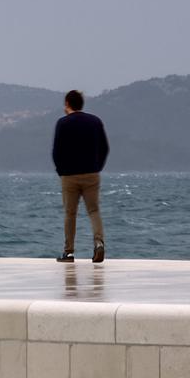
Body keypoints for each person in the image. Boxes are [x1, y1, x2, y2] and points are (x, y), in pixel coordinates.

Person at [51, 89, 109, 263]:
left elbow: (56, 151)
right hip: (92, 173)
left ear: (67, 104)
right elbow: (105, 148)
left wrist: (61, 171)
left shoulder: (62, 123)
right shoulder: (95, 121)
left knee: (70, 213)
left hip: (69, 175)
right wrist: (97, 167)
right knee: (94, 210)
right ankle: (99, 243)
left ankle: (69, 253)